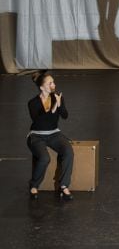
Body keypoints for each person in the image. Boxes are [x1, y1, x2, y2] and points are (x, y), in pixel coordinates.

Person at [27, 72, 75, 201]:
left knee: (68, 151)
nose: (54, 85)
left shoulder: (57, 97)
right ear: (42, 87)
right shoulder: (33, 103)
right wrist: (54, 107)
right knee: (44, 158)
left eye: (53, 82)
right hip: (37, 136)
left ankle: (64, 185)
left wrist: (59, 105)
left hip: (54, 134)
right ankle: (34, 185)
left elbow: (65, 115)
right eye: (50, 83)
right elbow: (40, 122)